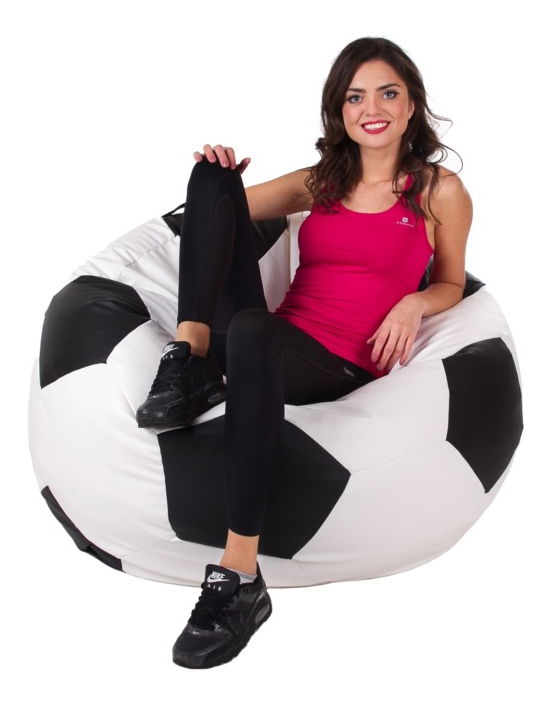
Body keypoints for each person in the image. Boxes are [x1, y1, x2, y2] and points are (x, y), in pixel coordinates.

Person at [136, 36, 472, 670]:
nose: (372, 108)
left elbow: (453, 282)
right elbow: (209, 215)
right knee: (212, 177)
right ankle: (189, 356)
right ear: (339, 110)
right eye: (355, 97)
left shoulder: (437, 191)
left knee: (255, 330)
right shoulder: (321, 182)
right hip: (263, 345)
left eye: (388, 93)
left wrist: (414, 303)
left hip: (338, 360)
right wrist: (217, 179)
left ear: (411, 105)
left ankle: (239, 576)